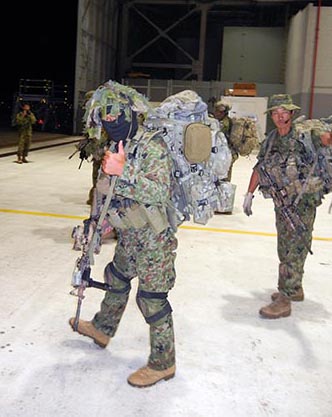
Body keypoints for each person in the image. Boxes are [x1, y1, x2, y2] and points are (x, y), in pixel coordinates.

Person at [69, 80, 178, 388]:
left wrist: (123, 170)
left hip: (155, 240)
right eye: (106, 120)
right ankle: (103, 328)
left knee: (152, 299)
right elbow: (106, 194)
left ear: (129, 114)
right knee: (116, 278)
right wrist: (95, 226)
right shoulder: (118, 146)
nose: (111, 123)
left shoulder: (152, 145)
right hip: (129, 234)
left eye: (117, 117)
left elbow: (159, 192)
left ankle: (163, 363)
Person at [243, 94, 332, 319]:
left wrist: (324, 133)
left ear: (292, 113)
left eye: (284, 112)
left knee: (295, 248)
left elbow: (326, 138)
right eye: (275, 112)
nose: (280, 116)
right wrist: (249, 193)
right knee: (286, 246)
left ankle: (284, 298)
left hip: (303, 202)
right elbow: (259, 167)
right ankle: (295, 288)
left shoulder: (305, 134)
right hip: (282, 203)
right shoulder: (271, 139)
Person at [213, 99, 238, 182]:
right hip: (223, 153)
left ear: (224, 113)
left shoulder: (224, 123)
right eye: (216, 110)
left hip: (226, 154)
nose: (216, 113)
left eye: (219, 112)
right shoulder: (220, 121)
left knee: (224, 177)